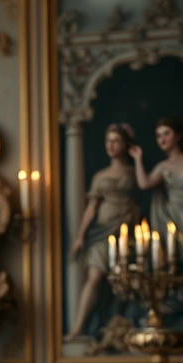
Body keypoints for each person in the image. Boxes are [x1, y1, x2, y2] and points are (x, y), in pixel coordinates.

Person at [67, 123, 140, 339]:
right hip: (101, 231)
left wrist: (138, 159)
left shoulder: (134, 172)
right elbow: (92, 208)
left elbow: (143, 196)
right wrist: (80, 236)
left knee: (126, 281)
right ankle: (78, 327)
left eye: (116, 140)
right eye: (108, 140)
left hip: (126, 232)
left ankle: (123, 323)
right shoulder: (100, 176)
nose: (110, 145)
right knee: (95, 277)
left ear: (126, 144)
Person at [130, 116, 183, 241]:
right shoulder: (163, 166)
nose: (162, 139)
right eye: (158, 136)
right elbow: (144, 184)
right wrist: (138, 159)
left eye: (166, 134)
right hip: (174, 214)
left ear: (178, 136)